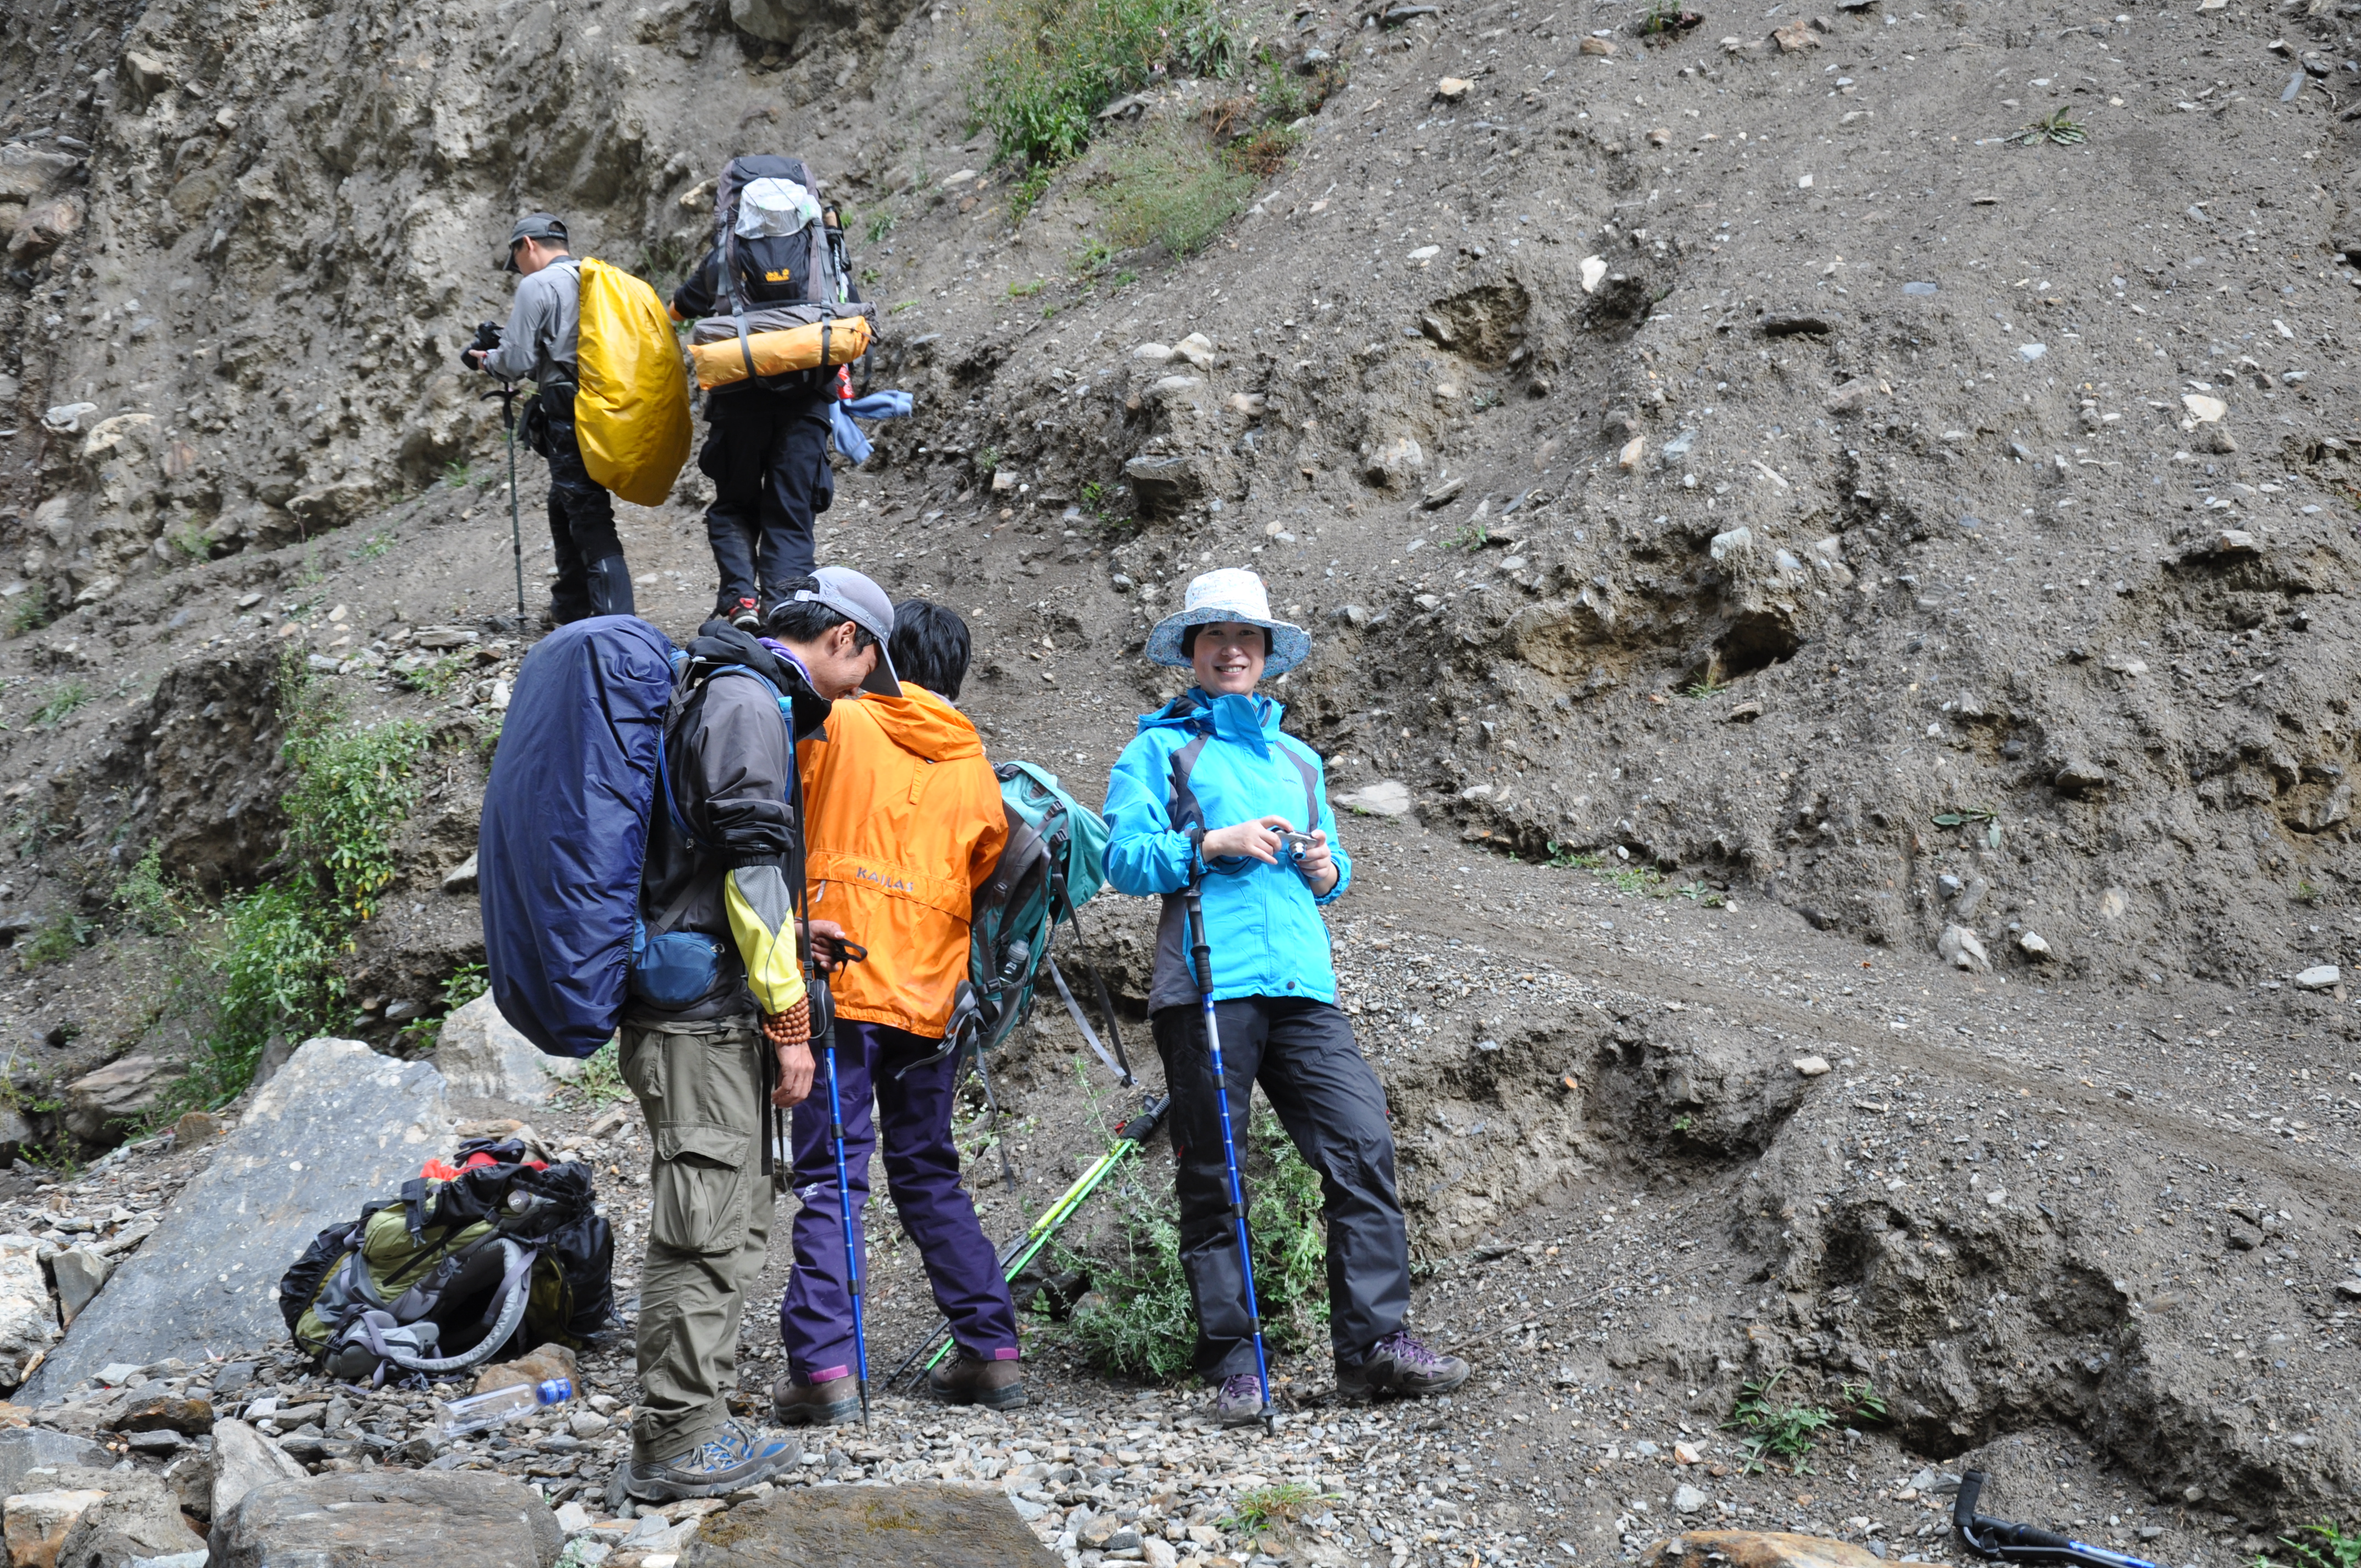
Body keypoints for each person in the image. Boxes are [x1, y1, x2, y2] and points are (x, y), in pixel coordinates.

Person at [1102, 569, 1470, 1425]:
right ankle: (1237, 1365)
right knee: (1216, 1172)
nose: (1233, 651)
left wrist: (1325, 867)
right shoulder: (1158, 750)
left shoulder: (1301, 760)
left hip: (1304, 985)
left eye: (1249, 639)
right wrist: (1211, 841)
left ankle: (1373, 1349)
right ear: (1191, 653)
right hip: (1205, 984)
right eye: (1216, 638)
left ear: (1267, 656)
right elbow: (1123, 860)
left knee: (1363, 1144)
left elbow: (1334, 867)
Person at [617, 565, 901, 1501]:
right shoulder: (745, 702)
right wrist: (789, 1020)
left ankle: (696, 1419)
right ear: (844, 639)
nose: (856, 689)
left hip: (704, 994)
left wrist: (790, 937)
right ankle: (675, 1436)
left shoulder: (735, 690)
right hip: (699, 1017)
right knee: (703, 1223)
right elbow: (746, 869)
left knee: (725, 1211)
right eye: (863, 668)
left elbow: (724, 871)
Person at [771, 598, 1026, 1422]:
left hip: (839, 986)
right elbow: (989, 864)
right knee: (927, 1170)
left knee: (833, 1178)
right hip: (933, 1001)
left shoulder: (837, 725)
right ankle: (992, 1355)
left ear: (878, 656)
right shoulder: (973, 760)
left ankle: (826, 1373)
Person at [670, 162, 858, 631]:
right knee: (791, 512)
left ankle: (742, 604)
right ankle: (787, 615)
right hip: (808, 398)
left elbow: (682, 304)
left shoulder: (728, 253)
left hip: (738, 398)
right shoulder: (820, 248)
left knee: (734, 503)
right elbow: (847, 307)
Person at [465, 213, 635, 624]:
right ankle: (571, 608)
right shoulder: (603, 280)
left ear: (528, 246)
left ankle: (619, 624)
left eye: (516, 261)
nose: (517, 271)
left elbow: (517, 361)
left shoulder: (537, 285)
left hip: (570, 411)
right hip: (613, 407)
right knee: (564, 504)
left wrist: (489, 361)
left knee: (589, 513)